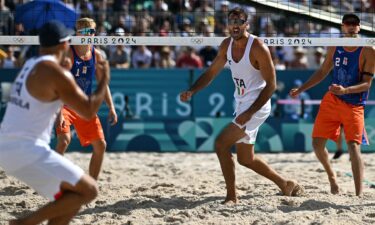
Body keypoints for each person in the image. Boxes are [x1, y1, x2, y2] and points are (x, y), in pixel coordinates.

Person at [180, 7, 303, 204]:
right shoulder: (226, 45)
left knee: (221, 144)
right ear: (227, 25)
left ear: (247, 25)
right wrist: (193, 90)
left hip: (257, 105)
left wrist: (250, 112)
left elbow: (271, 85)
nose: (235, 25)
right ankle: (285, 183)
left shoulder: (258, 47)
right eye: (232, 22)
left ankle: (232, 196)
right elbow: (211, 73)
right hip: (242, 103)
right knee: (245, 159)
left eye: (239, 22)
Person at [0, 21, 110, 224]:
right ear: (64, 45)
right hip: (25, 150)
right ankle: (25, 222)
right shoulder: (56, 73)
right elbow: (88, 110)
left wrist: (65, 71)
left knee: (71, 198)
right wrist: (104, 78)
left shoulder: (31, 64)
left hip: (8, 147)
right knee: (89, 190)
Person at [289, 13, 375, 196]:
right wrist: (301, 89)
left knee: (353, 147)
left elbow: (367, 84)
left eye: (354, 24)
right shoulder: (335, 45)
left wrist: (345, 90)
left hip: (353, 103)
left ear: (359, 27)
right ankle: (332, 178)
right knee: (317, 144)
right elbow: (322, 71)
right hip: (332, 100)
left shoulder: (368, 49)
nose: (351, 26)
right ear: (342, 27)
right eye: (347, 24)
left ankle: (358, 194)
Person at [55, 17, 118, 180]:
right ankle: (51, 176)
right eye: (85, 32)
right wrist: (59, 111)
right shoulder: (69, 52)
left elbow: (103, 84)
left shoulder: (96, 54)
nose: (89, 35)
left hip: (84, 106)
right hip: (65, 105)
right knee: (64, 141)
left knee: (100, 145)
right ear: (77, 33)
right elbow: (58, 84)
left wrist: (111, 106)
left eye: (92, 32)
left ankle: (92, 183)